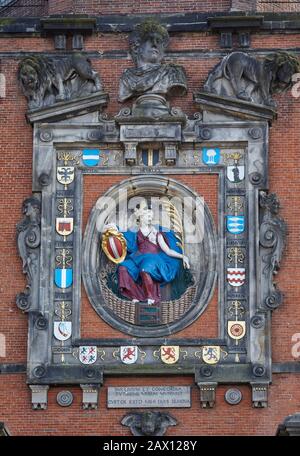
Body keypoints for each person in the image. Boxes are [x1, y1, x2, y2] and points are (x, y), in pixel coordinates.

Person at [104, 202, 190, 305]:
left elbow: (167, 250)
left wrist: (183, 256)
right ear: (141, 216)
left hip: (154, 259)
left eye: (151, 216)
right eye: (148, 215)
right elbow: (123, 235)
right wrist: (114, 227)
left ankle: (151, 297)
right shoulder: (135, 231)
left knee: (146, 267)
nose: (150, 218)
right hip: (138, 259)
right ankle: (135, 296)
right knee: (123, 267)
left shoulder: (155, 232)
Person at [118, 19, 187, 103]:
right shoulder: (127, 77)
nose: (155, 45)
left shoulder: (173, 72)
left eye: (158, 42)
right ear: (136, 48)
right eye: (150, 40)